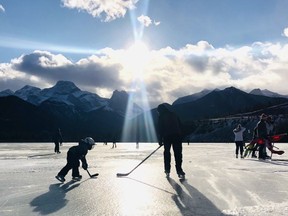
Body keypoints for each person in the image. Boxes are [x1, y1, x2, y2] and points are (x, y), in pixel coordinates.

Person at [157, 103, 185, 179]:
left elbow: (160, 128)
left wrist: (160, 139)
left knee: (167, 153)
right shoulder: (174, 114)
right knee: (178, 154)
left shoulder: (161, 116)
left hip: (167, 137)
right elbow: (180, 125)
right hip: (177, 136)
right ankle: (179, 170)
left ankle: (167, 169)